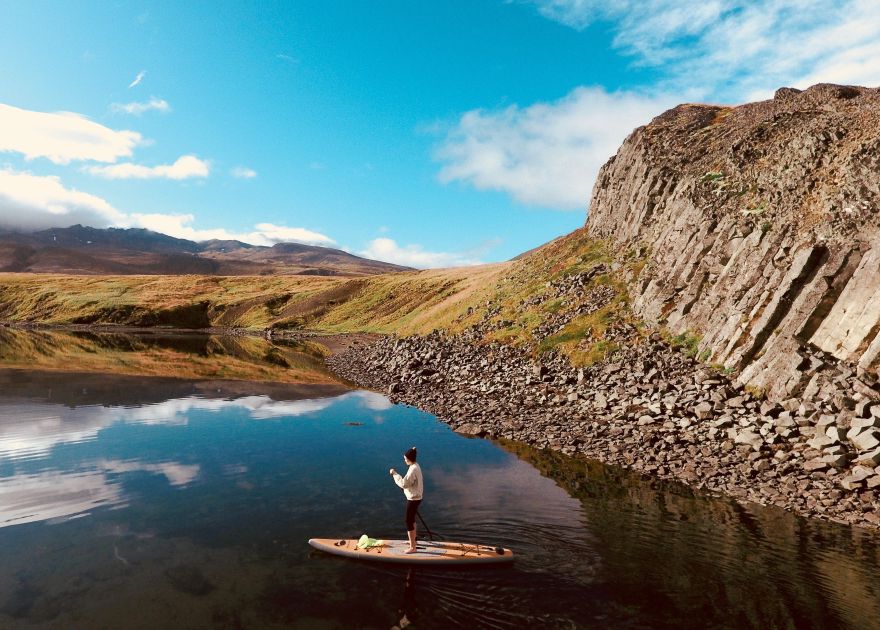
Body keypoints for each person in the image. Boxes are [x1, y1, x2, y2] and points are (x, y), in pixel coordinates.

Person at [389, 446, 423, 554]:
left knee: (408, 521)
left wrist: (395, 474)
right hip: (416, 497)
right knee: (411, 519)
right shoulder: (415, 465)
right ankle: (413, 541)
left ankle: (413, 547)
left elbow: (404, 484)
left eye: (405, 459)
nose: (404, 460)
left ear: (409, 459)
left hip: (414, 499)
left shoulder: (413, 469)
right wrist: (413, 450)